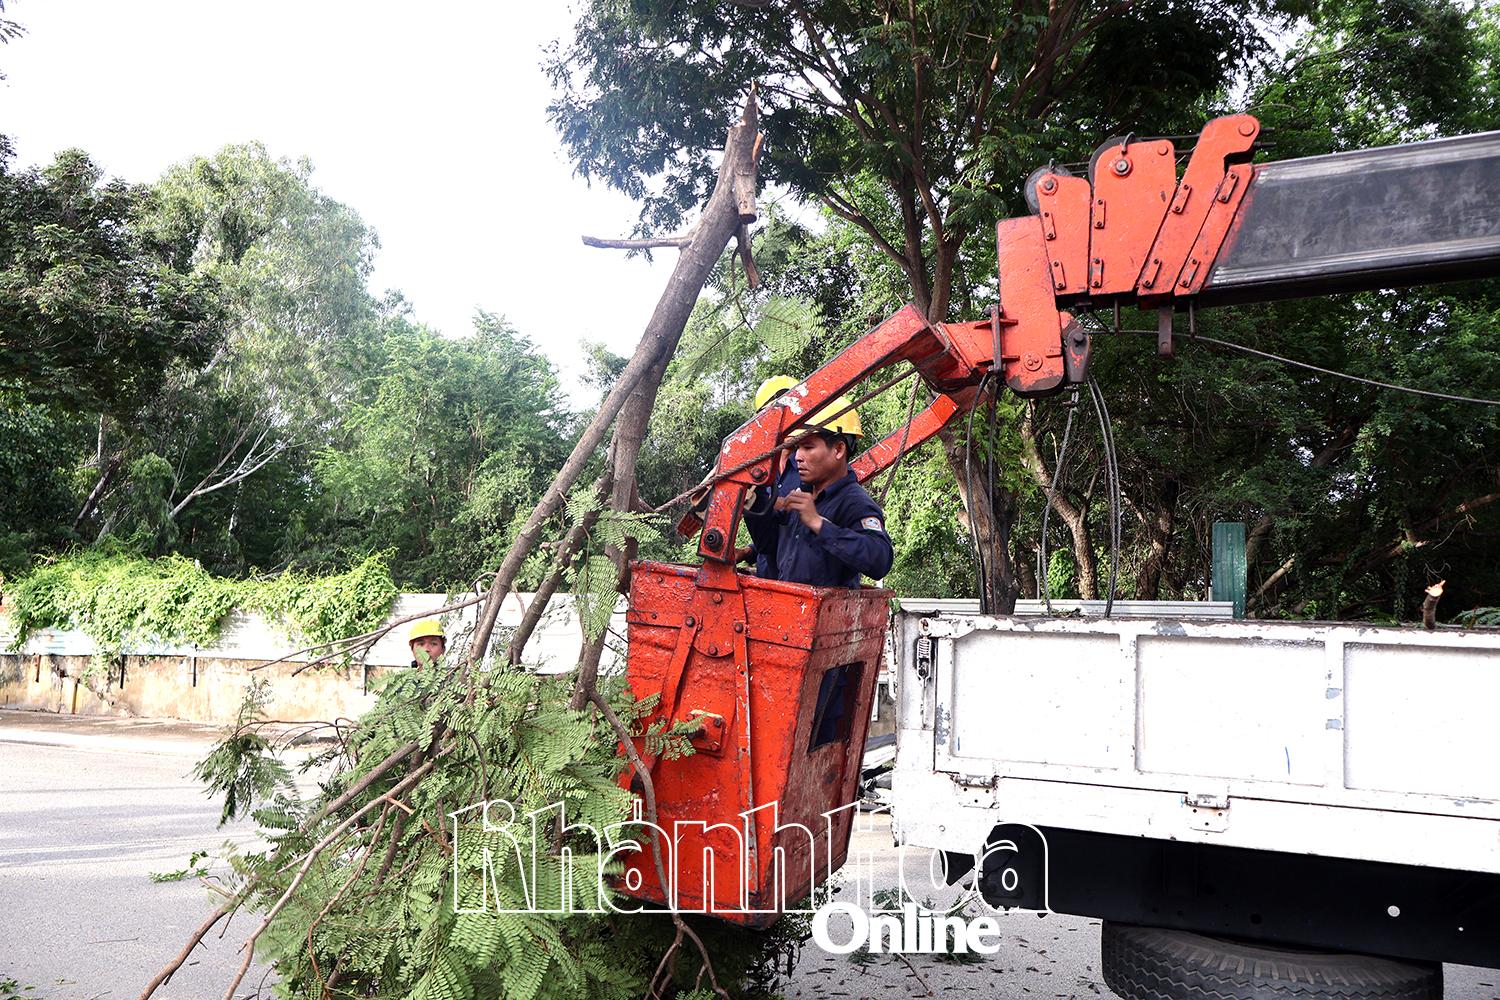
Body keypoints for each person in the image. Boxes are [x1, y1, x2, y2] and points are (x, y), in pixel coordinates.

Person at [744, 397, 894, 588]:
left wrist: (818, 524)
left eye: (808, 447)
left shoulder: (855, 503)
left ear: (839, 449)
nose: (797, 456)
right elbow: (768, 546)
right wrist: (754, 502)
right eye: (797, 447)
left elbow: (879, 560)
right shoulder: (802, 497)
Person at [739, 374, 803, 577]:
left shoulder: (812, 468)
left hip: (799, 581)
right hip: (768, 578)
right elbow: (774, 533)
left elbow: (799, 531)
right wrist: (748, 551)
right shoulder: (756, 472)